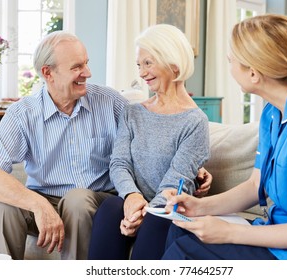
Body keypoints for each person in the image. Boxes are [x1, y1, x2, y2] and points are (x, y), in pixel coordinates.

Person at [161, 14, 287, 260]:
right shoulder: (273, 111)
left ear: (253, 73)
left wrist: (229, 232)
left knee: (185, 253)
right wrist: (199, 206)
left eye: (231, 60)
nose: (229, 67)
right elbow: (255, 185)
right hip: (281, 233)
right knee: (179, 231)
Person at [0, 31, 129, 260]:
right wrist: (38, 204)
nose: (87, 73)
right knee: (7, 206)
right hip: (46, 198)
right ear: (48, 73)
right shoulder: (23, 113)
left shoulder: (110, 102)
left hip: (97, 202)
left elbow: (144, 141)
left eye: (86, 63)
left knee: (77, 200)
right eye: (77, 67)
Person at [87, 24, 211, 260]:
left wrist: (143, 213)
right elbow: (119, 163)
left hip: (170, 208)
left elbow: (176, 181)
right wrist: (132, 197)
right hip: (134, 202)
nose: (142, 73)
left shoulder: (195, 121)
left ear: (173, 63)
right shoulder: (132, 113)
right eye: (139, 65)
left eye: (148, 63)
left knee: (157, 219)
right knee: (110, 208)